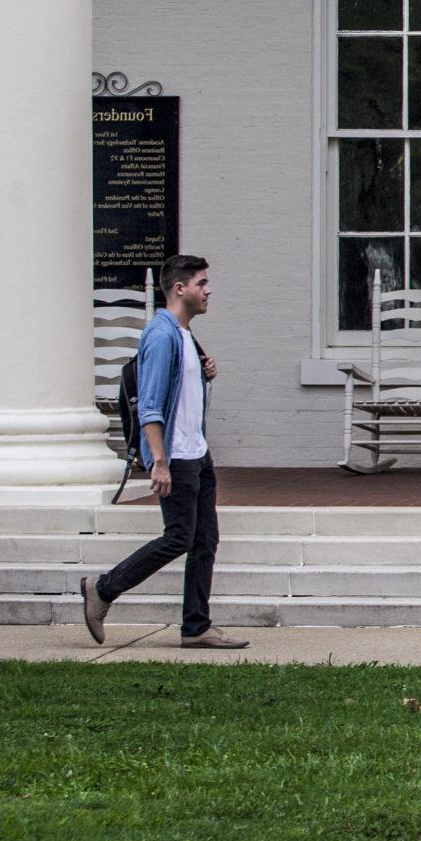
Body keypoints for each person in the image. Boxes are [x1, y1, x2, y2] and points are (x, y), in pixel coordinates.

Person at [80, 255, 247, 650]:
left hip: (197, 452)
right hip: (176, 456)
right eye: (201, 283)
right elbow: (150, 406)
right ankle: (103, 589)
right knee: (178, 538)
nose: (208, 290)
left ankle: (196, 627)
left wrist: (203, 373)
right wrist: (159, 461)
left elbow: (180, 395)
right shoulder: (161, 335)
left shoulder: (185, 335)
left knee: (205, 540)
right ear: (179, 289)